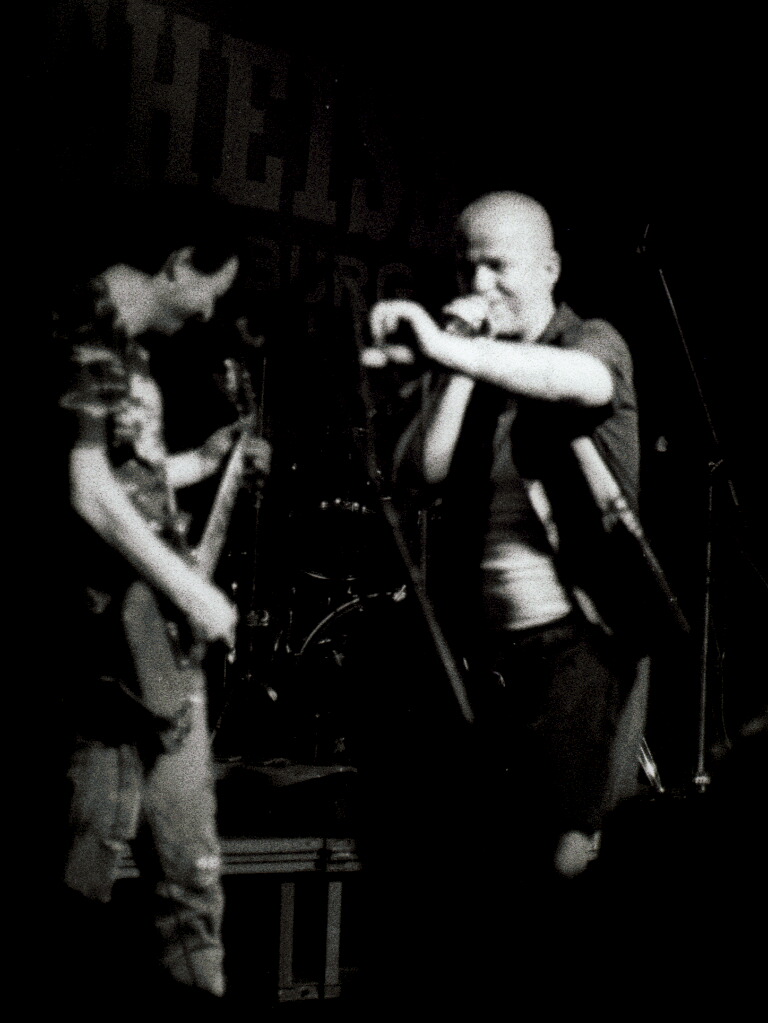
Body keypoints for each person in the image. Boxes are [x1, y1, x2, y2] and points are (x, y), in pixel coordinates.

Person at [365, 190, 648, 879]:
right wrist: (458, 358)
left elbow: (580, 382)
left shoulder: (590, 340)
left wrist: (448, 348)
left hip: (579, 644)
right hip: (491, 653)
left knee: (566, 857)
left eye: (498, 265)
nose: (479, 284)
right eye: (467, 268)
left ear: (550, 269)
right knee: (492, 860)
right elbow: (418, 472)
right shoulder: (479, 367)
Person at [54, 185, 270, 1006]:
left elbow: (128, 484)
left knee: (191, 877)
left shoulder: (131, 352)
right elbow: (86, 488)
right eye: (212, 287)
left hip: (157, 644)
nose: (210, 311)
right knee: (85, 867)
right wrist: (194, 590)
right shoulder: (81, 324)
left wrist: (203, 462)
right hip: (106, 648)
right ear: (179, 264)